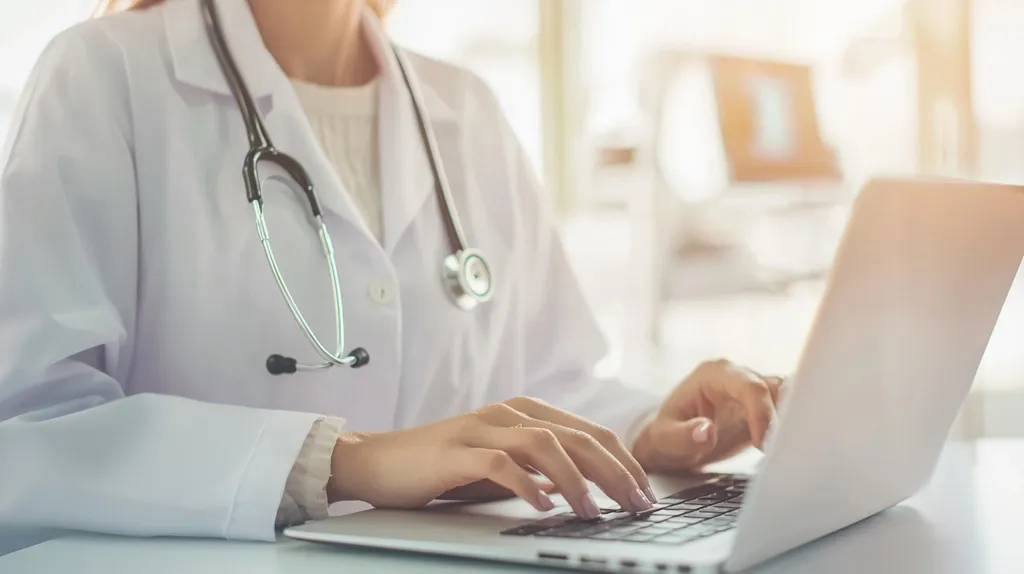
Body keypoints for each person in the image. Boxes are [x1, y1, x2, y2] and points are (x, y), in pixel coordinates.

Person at [0, 0, 782, 548]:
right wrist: (344, 462)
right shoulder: (107, 75)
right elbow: (30, 430)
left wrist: (647, 432)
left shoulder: (463, 107)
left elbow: (544, 380)